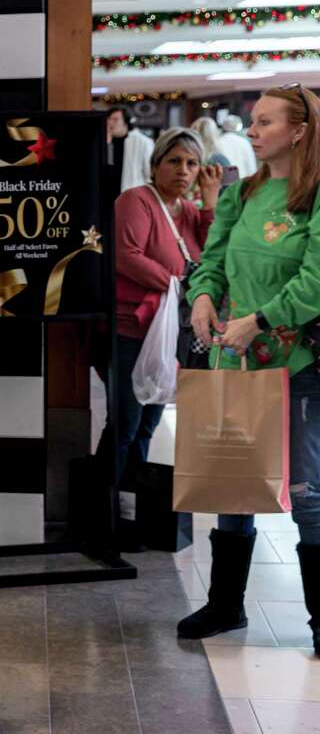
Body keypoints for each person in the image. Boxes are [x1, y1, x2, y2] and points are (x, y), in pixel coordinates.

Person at [180, 84, 320, 657]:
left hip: (298, 363)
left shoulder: (314, 197)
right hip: (232, 357)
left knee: (309, 494)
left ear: (300, 131)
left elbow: (314, 282)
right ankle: (225, 605)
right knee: (232, 481)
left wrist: (260, 319)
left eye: (264, 122)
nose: (252, 130)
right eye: (253, 121)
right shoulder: (239, 196)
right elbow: (211, 261)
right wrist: (203, 297)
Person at [113, 128, 221, 550]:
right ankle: (110, 513)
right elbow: (127, 255)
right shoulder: (137, 200)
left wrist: (210, 204)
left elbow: (213, 254)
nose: (183, 170)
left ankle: (132, 511)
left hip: (169, 335)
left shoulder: (189, 210)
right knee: (125, 424)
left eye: (192, 163)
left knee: (148, 426)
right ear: (155, 164)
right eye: (174, 161)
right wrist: (179, 284)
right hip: (132, 330)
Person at [108, 106, 155, 194]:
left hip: (133, 195)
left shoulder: (142, 141)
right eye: (109, 119)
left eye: (115, 119)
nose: (110, 123)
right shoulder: (108, 142)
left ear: (126, 122)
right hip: (108, 197)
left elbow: (149, 174)